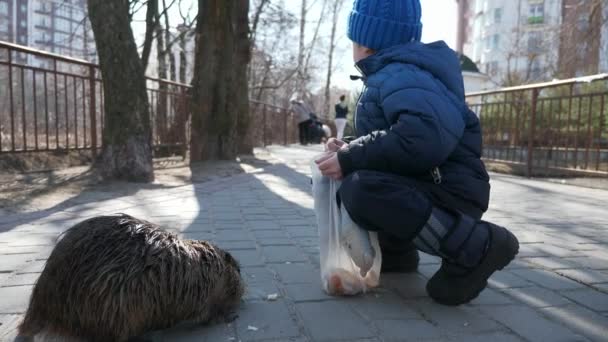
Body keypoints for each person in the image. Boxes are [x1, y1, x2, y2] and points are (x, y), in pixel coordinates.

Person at [314, 0, 519, 306]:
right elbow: (394, 139)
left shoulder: (402, 75)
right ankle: (398, 252)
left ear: (365, 43)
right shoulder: (399, 74)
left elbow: (423, 136)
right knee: (360, 177)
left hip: (450, 191)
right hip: (434, 184)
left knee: (360, 188)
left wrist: (352, 158)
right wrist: (350, 148)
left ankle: (477, 246)